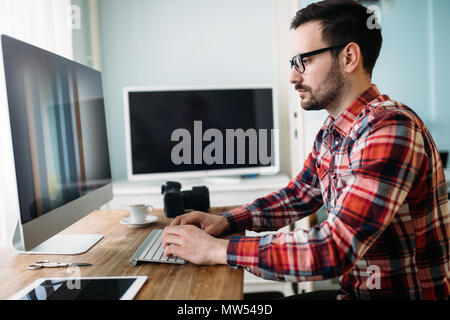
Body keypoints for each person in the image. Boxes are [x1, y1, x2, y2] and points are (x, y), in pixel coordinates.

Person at [162, 0, 450, 300]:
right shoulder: (333, 131)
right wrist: (228, 220)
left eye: (304, 61)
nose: (292, 76)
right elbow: (298, 195)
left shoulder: (390, 129)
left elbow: (333, 249)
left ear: (349, 57)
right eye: (292, 64)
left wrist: (218, 250)